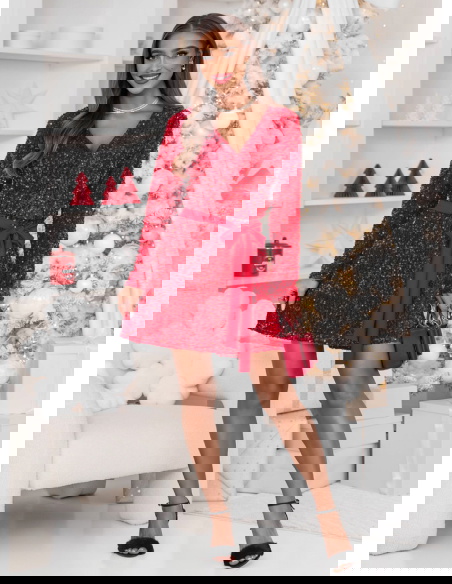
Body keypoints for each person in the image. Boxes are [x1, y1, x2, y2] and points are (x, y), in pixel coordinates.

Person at [116, 14, 352, 566]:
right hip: (183, 274)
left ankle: (327, 518)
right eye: (218, 51)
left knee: (278, 397)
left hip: (248, 274)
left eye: (240, 49)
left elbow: (279, 210)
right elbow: (160, 208)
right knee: (195, 394)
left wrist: (273, 285)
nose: (232, 60)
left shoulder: (276, 122)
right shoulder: (182, 124)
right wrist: (141, 275)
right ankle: (217, 521)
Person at [0, 23, 203, 301]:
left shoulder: (171, 127)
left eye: (177, 55)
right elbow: (15, 162)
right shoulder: (82, 115)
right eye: (155, 53)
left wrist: (48, 261)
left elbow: (113, 210)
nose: (153, 65)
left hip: (42, 246)